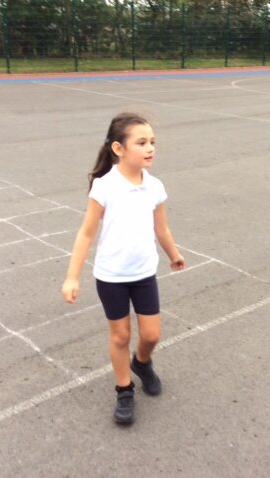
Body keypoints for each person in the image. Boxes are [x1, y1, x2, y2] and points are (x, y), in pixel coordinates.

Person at [62, 112, 185, 425]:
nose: (150, 148)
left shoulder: (154, 186)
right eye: (141, 142)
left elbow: (161, 228)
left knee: (151, 335)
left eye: (152, 142)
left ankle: (141, 362)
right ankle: (124, 389)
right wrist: (72, 276)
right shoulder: (105, 186)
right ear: (119, 148)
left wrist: (173, 254)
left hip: (144, 274)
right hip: (112, 276)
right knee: (120, 335)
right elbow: (86, 233)